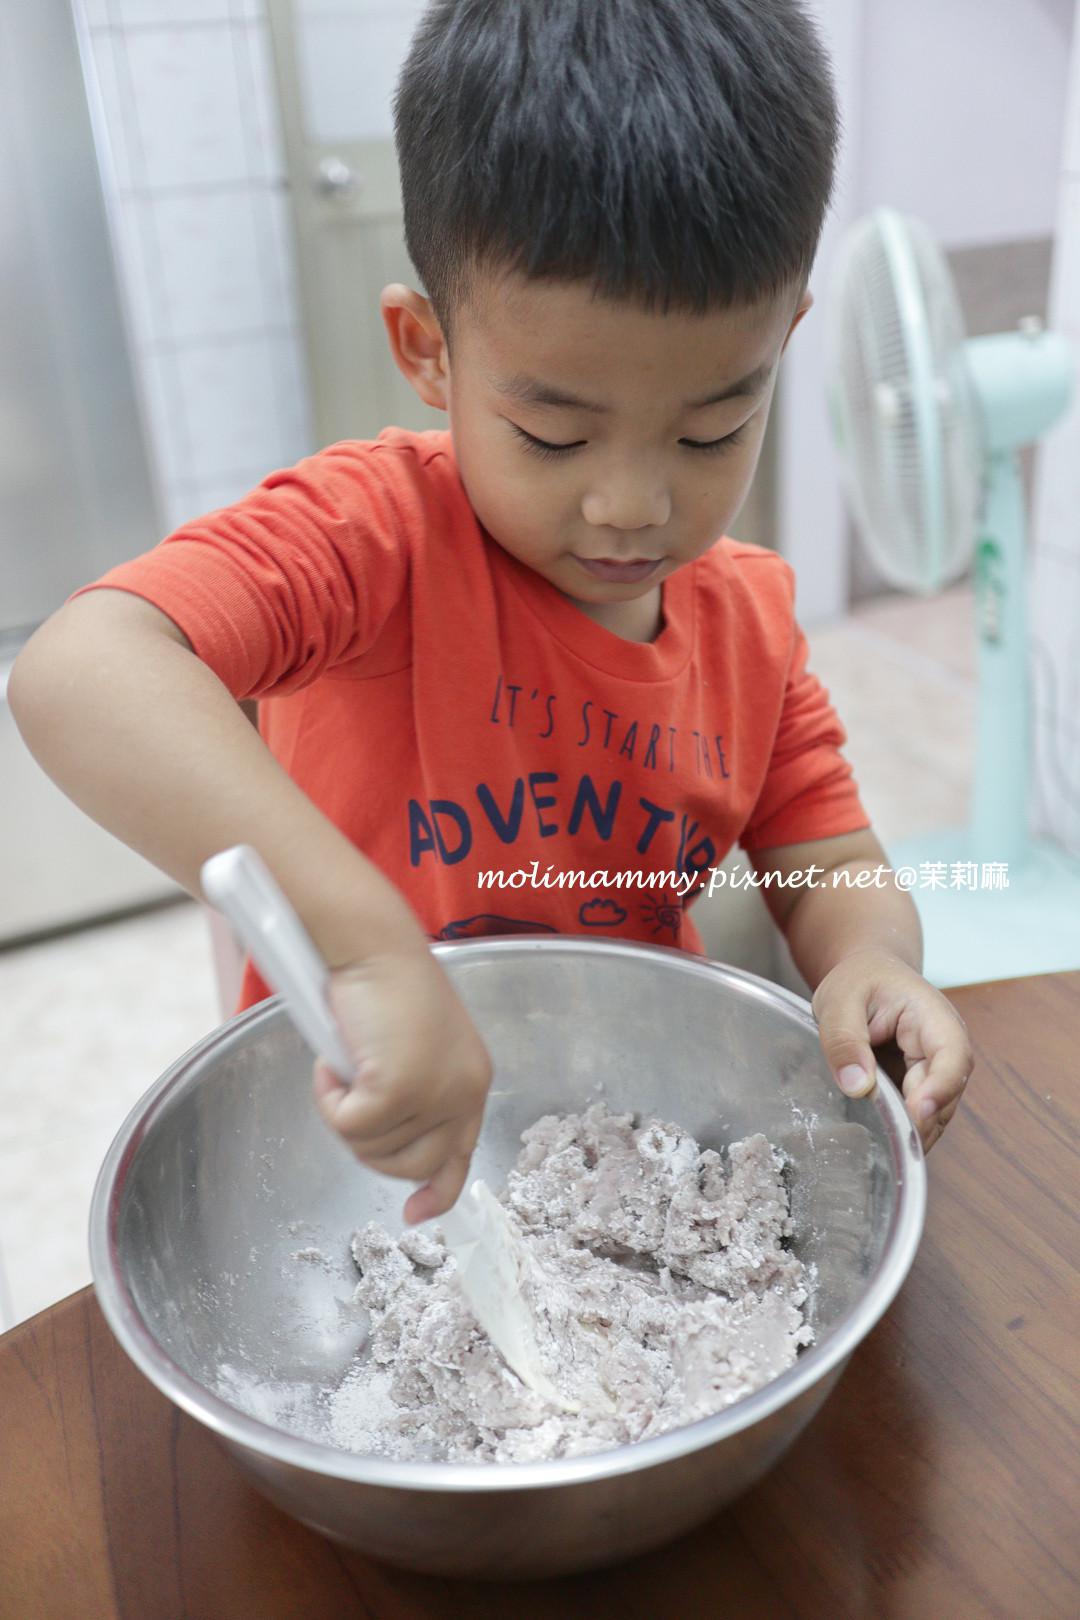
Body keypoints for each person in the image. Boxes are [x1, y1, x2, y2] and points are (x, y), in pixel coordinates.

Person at [10, 0, 972, 1225]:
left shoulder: (753, 627)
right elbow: (79, 668)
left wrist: (875, 960)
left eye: (711, 428)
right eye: (553, 434)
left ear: (783, 340)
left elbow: (828, 860)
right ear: (430, 352)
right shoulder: (371, 541)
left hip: (636, 1142)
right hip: (365, 1152)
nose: (632, 504)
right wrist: (364, 947)